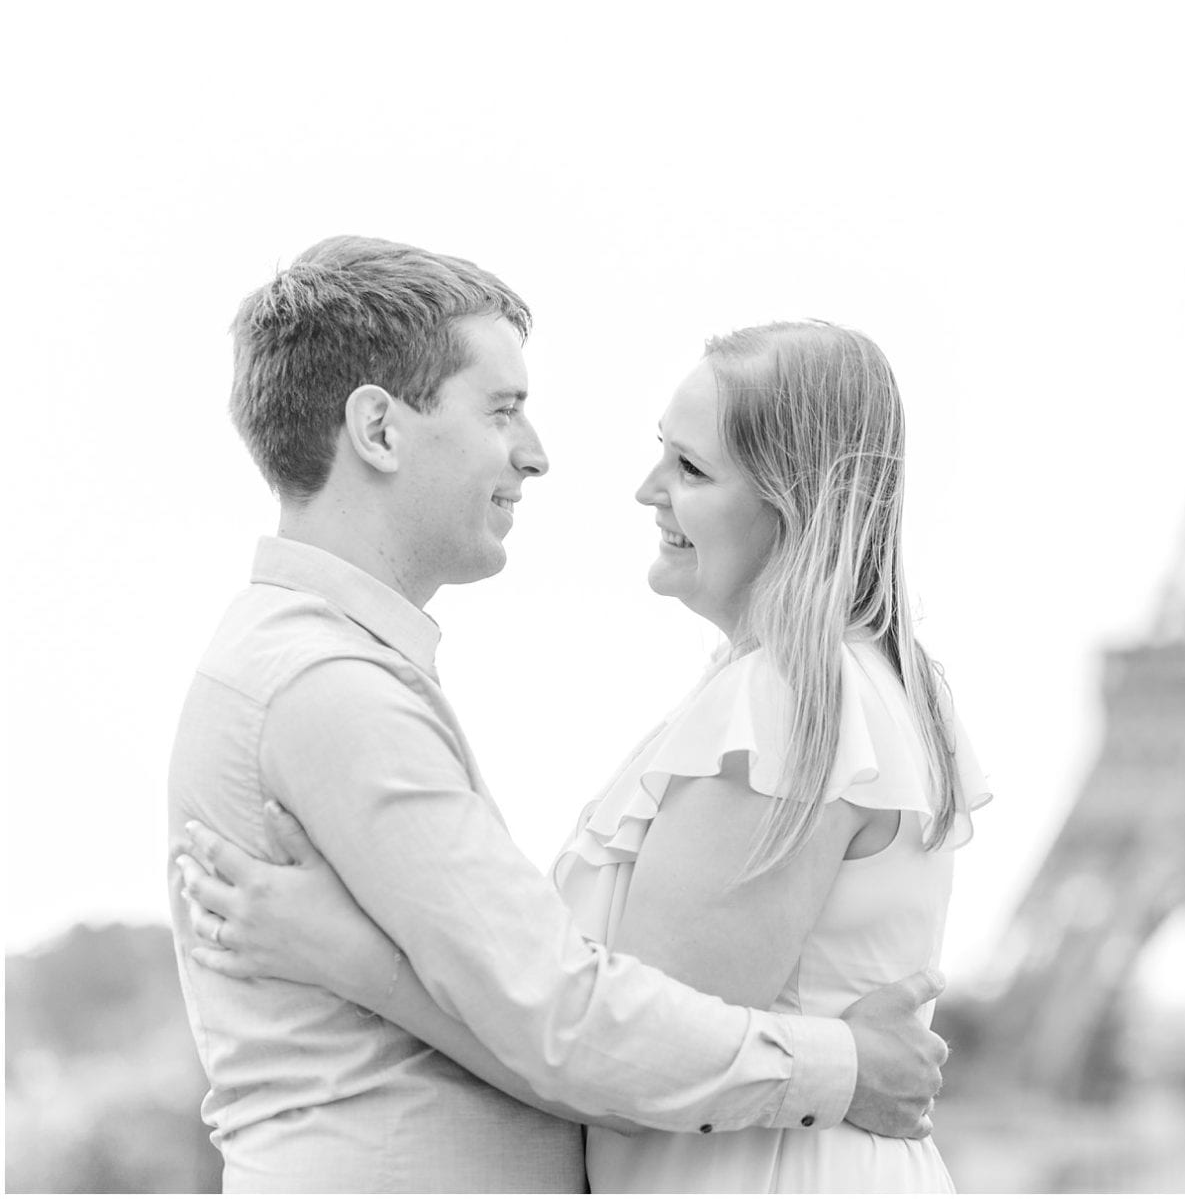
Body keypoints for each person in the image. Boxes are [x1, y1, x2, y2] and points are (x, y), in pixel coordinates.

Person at [166, 239, 947, 1193]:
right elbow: (577, 1033)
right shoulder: (329, 684)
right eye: (503, 411)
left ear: (789, 501)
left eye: (690, 466)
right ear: (377, 430)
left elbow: (579, 1030)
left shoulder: (787, 701)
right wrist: (847, 1067)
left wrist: (357, 960)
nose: (539, 456)